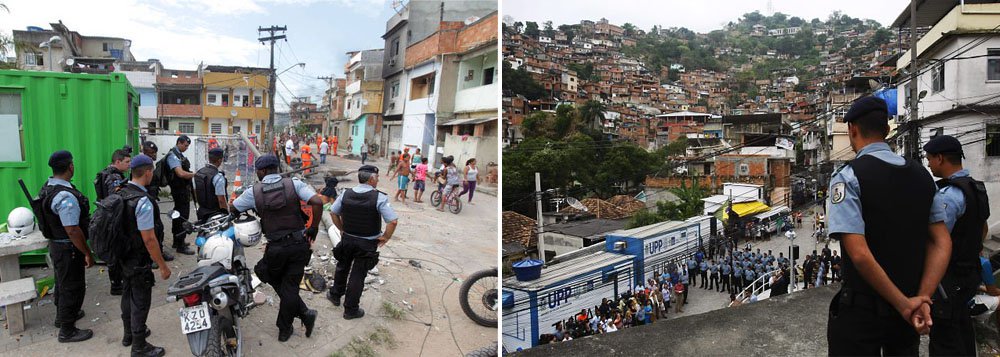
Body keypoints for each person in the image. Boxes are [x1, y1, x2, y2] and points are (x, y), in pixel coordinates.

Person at [826, 96, 946, 355]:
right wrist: (922, 299)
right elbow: (941, 241)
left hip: (863, 312)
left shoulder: (848, 176)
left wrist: (905, 305)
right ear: (887, 130)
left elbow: (859, 253)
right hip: (908, 310)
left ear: (852, 130)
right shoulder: (923, 176)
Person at [231, 154, 320, 342]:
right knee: (289, 286)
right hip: (299, 244)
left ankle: (289, 325)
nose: (257, 173)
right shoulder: (293, 184)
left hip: (277, 247)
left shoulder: (254, 192)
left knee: (267, 274)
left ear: (263, 171)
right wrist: (314, 227)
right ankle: (302, 315)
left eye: (258, 170)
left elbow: (234, 208)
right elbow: (317, 202)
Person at [923, 134, 991, 356]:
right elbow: (983, 229)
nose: (928, 164)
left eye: (929, 159)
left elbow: (937, 240)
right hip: (969, 274)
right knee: (963, 333)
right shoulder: (976, 189)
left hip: (949, 280)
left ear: (940, 158)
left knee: (945, 341)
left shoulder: (949, 195)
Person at [327, 165, 400, 320]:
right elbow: (392, 221)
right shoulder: (379, 197)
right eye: (377, 177)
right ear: (371, 179)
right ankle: (350, 310)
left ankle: (335, 295)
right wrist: (386, 237)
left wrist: (342, 229)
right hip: (366, 243)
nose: (378, 180)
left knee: (342, 267)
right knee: (358, 274)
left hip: (347, 239)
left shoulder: (346, 193)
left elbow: (333, 212)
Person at [117, 155, 171, 357]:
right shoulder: (143, 201)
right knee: (140, 300)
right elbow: (149, 239)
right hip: (139, 259)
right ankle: (139, 346)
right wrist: (162, 266)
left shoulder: (122, 192)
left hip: (124, 256)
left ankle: (128, 334)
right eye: (152, 172)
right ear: (148, 172)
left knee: (127, 294)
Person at [38, 150, 95, 342]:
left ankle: (62, 318)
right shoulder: (65, 196)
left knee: (62, 284)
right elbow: (72, 229)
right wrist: (87, 252)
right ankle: (67, 331)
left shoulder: (48, 187)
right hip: (68, 248)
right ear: (71, 167)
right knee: (72, 287)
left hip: (57, 246)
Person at [95, 148, 131, 296]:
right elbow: (116, 197)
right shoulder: (113, 177)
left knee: (113, 250)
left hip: (106, 216)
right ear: (117, 162)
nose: (129, 164)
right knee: (116, 251)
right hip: (113, 218)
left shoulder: (104, 173)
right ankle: (117, 285)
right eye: (127, 162)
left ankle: (117, 283)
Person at [165, 135, 196, 255]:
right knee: (183, 216)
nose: (186, 148)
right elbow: (180, 173)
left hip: (181, 190)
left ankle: (176, 241)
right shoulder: (173, 156)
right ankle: (180, 245)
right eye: (185, 145)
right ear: (179, 143)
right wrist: (194, 174)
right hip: (179, 191)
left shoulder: (178, 155)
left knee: (178, 215)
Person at [193, 148, 228, 222]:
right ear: (219, 160)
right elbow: (221, 200)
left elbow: (196, 191)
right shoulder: (218, 177)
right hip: (215, 214)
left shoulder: (199, 172)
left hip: (202, 212)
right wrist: (226, 214)